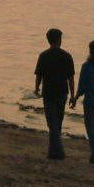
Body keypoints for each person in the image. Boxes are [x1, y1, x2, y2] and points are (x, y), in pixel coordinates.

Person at [33, 28, 75, 160]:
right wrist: (73, 95)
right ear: (59, 40)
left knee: (52, 122)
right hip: (62, 92)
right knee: (57, 121)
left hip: (49, 92)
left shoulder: (43, 55)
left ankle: (55, 151)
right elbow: (71, 78)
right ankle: (55, 151)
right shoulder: (66, 56)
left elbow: (39, 75)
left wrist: (36, 89)